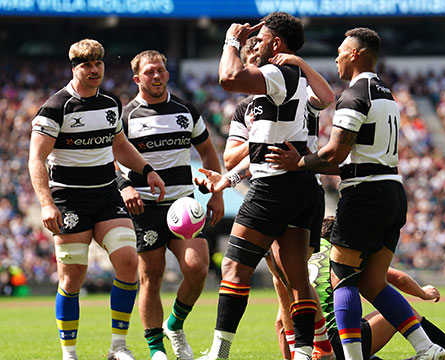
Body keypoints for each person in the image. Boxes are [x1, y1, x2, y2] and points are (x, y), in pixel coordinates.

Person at [265, 28, 445, 360]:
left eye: (339, 51)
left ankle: (352, 358)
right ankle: (426, 347)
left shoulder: (354, 94)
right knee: (374, 283)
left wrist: (299, 162)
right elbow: (354, 158)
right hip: (392, 190)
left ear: (354, 54)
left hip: (364, 196)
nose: (335, 57)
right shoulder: (387, 94)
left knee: (343, 279)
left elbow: (335, 151)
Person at [196, 12, 323, 360]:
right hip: (301, 186)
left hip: (274, 189)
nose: (257, 43)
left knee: (234, 267)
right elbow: (261, 153)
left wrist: (230, 40)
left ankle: (219, 353)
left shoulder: (279, 73)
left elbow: (228, 76)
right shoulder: (293, 80)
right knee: (296, 276)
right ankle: (305, 351)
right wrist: (228, 179)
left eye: (262, 38)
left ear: (276, 44)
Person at [28, 39, 166, 360]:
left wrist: (147, 171)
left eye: (98, 63)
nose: (94, 70)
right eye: (86, 65)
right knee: (73, 276)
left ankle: (118, 347)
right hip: (69, 201)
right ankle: (70, 353)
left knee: (129, 262)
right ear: (74, 68)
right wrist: (47, 204)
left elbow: (119, 144)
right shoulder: (55, 107)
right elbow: (36, 159)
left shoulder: (110, 102)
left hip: (106, 195)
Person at [224, 39, 336, 360]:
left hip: (300, 187)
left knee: (290, 276)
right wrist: (259, 139)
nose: (252, 67)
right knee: (283, 280)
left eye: (254, 61)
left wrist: (301, 64)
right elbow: (232, 157)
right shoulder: (245, 109)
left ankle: (319, 348)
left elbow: (326, 98)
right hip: (270, 180)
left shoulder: (299, 92)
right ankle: (313, 347)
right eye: (248, 63)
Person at [116, 50, 224, 360]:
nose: (157, 76)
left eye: (161, 70)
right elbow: (108, 159)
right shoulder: (126, 116)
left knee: (197, 267)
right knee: (152, 274)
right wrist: (125, 187)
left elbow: (206, 150)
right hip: (143, 207)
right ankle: (156, 349)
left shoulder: (185, 110)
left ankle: (174, 324)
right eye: (150, 72)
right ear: (137, 78)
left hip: (183, 204)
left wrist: (215, 191)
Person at [299, 216, 445, 360]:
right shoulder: (342, 253)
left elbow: (281, 322)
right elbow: (397, 278)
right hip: (338, 342)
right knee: (399, 311)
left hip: (313, 345)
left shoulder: (305, 257)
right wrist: (423, 293)